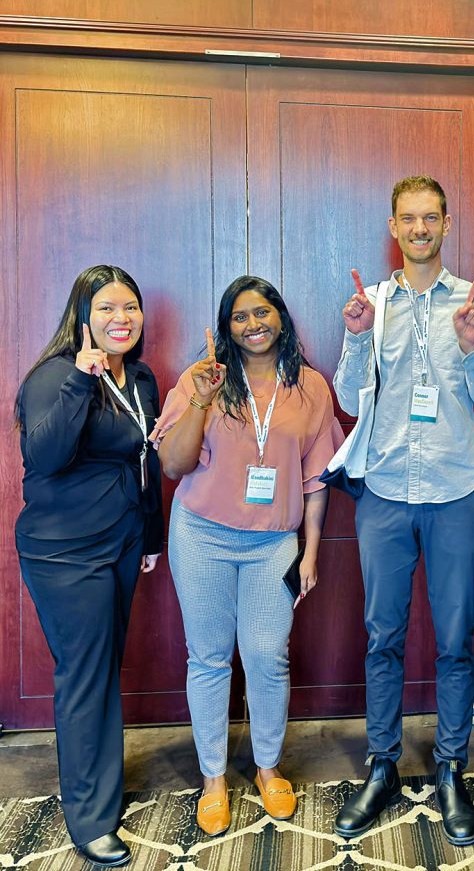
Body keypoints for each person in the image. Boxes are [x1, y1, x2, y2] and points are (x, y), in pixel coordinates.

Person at [332, 175, 474, 846]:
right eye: (408, 218)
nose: (419, 229)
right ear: (393, 226)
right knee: (382, 636)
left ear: (446, 223)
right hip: (383, 490)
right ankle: (382, 764)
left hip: (456, 491)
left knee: (455, 641)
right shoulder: (372, 303)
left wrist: (470, 350)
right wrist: (356, 338)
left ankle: (451, 768)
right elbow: (349, 398)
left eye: (430, 217)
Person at [152, 276, 342, 836]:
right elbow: (173, 465)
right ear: (227, 327)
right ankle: (213, 777)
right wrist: (201, 400)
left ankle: (267, 767)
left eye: (262, 312)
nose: (253, 324)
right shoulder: (201, 378)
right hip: (202, 536)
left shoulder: (310, 386)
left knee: (266, 656)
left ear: (280, 317)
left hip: (273, 544)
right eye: (240, 316)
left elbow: (316, 480)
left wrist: (310, 553)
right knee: (209, 657)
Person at [15, 265, 164, 868]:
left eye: (130, 306)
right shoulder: (55, 376)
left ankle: (99, 788)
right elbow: (44, 456)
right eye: (106, 308)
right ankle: (91, 819)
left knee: (102, 670)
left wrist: (151, 534)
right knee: (86, 676)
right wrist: (82, 378)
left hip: (122, 541)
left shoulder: (143, 377)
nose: (121, 318)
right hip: (64, 552)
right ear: (82, 316)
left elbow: (146, 457)